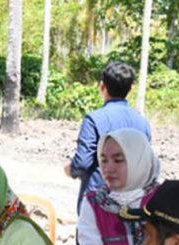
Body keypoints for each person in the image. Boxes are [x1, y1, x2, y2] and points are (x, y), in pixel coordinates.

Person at [64, 61, 151, 212]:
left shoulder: (93, 120)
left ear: (102, 86)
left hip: (98, 204)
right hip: (132, 204)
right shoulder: (142, 123)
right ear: (130, 89)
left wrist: (70, 169)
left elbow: (82, 162)